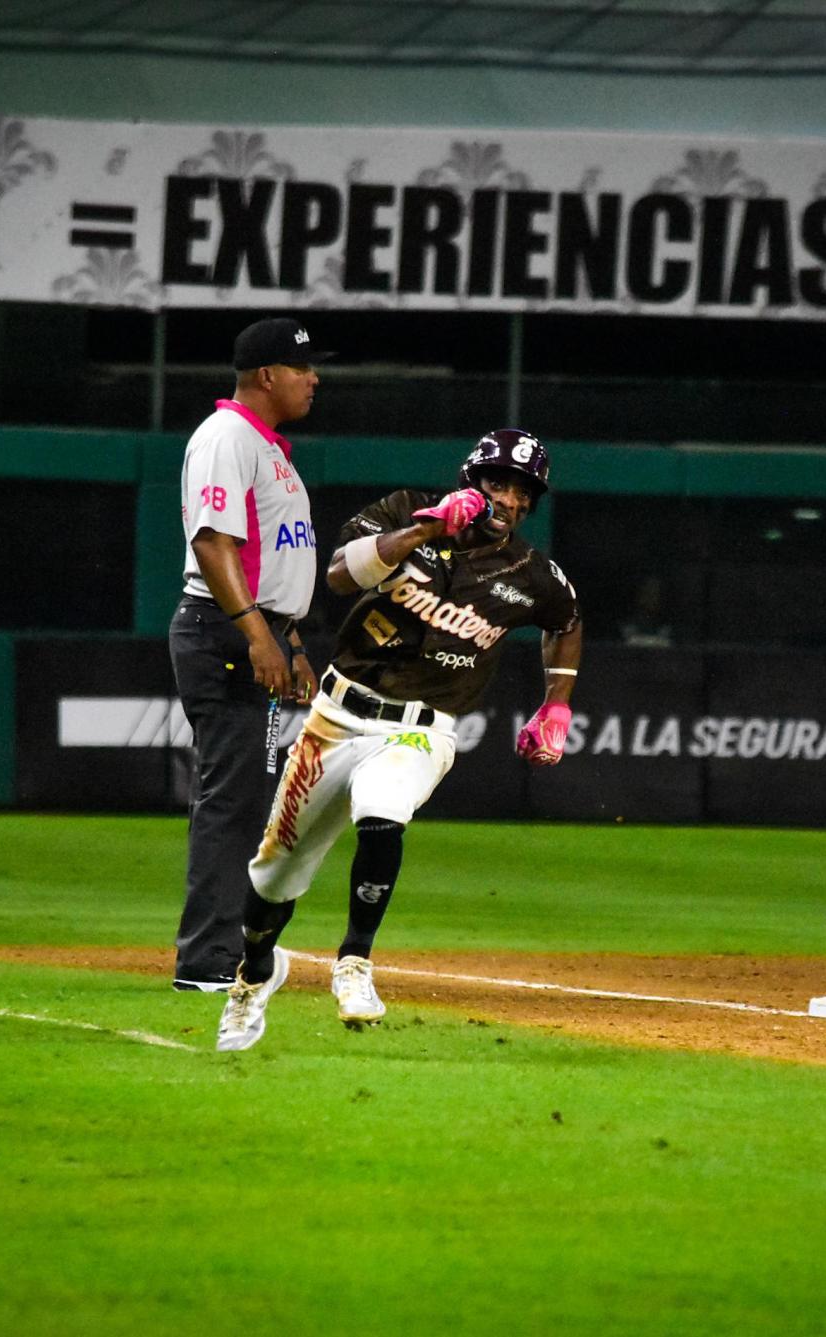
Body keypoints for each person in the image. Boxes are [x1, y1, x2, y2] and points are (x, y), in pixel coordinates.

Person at [214, 428, 582, 1051]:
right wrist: (422, 530)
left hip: (423, 729)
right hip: (336, 717)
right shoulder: (403, 509)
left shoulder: (531, 572)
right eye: (499, 483)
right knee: (274, 875)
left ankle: (354, 960)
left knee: (384, 810)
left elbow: (566, 622)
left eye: (524, 493)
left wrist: (557, 705)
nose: (511, 501)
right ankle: (254, 971)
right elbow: (335, 576)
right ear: (472, 479)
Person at [167, 318, 328, 992]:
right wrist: (259, 635)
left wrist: (286, 638)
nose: (314, 378)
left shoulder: (265, 447)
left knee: (248, 799)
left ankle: (229, 946)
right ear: (267, 374)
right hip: (225, 633)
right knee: (230, 801)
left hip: (253, 632)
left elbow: (269, 557)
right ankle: (205, 961)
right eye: (302, 368)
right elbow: (212, 542)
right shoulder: (226, 437)